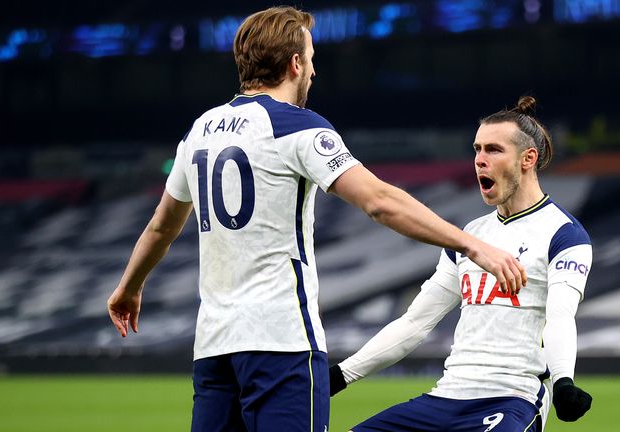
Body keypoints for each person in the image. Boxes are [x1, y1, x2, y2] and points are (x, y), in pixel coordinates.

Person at [106, 6, 526, 432]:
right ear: (294, 63)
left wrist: (129, 287)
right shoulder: (298, 126)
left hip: (215, 348)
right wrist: (472, 244)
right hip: (281, 343)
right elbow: (379, 200)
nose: (313, 72)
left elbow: (162, 225)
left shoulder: (199, 131)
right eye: (311, 58)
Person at [329, 96, 593, 432]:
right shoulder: (472, 235)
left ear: (529, 158)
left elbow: (560, 319)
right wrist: (339, 376)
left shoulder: (564, 235)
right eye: (477, 149)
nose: (480, 160)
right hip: (446, 397)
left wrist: (564, 383)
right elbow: (415, 323)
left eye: (494, 150)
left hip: (511, 400)